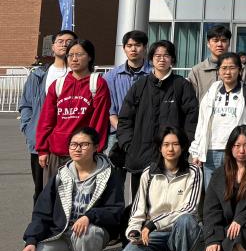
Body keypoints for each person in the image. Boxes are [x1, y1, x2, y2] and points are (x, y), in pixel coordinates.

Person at [18, 127, 124, 251]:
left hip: (90, 235)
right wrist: (31, 240)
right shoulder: (61, 175)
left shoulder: (109, 174)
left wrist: (90, 216)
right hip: (62, 234)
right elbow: (42, 212)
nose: (77, 149)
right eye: (73, 144)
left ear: (96, 147)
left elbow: (115, 210)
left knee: (89, 233)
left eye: (84, 144)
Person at [118, 126, 203, 251]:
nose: (171, 149)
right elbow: (138, 210)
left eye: (175, 144)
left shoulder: (194, 172)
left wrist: (153, 224)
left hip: (180, 231)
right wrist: (134, 232)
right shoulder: (148, 173)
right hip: (154, 234)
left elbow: (189, 208)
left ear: (183, 147)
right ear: (160, 148)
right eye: (166, 144)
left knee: (186, 220)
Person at [117, 39, 199, 197]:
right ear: (151, 59)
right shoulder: (140, 85)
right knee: (139, 202)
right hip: (140, 156)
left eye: (166, 55)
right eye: (157, 56)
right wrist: (128, 145)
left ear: (172, 59)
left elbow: (192, 119)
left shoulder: (181, 85)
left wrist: (183, 146)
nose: (162, 59)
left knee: (168, 202)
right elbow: (125, 118)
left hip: (171, 157)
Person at [35, 38, 111, 186]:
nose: (74, 59)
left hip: (84, 154)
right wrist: (42, 150)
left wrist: (95, 149)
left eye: (79, 54)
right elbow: (46, 120)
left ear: (90, 57)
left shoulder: (97, 84)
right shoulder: (58, 85)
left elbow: (100, 120)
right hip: (56, 153)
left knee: (81, 196)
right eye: (70, 55)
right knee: (53, 195)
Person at [190, 51, 246, 188]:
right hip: (211, 151)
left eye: (232, 68)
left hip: (238, 151)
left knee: (237, 191)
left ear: (240, 70)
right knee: (213, 193)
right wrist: (197, 151)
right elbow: (202, 123)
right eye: (224, 68)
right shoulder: (212, 92)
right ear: (218, 71)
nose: (227, 72)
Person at [19, 29, 74, 204]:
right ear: (53, 47)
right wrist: (29, 128)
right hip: (40, 141)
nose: (64, 45)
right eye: (60, 41)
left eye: (69, 42)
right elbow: (26, 104)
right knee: (41, 190)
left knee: (68, 190)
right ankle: (40, 221)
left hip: (70, 143)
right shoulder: (38, 75)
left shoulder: (78, 75)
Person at [104, 30, 152, 164]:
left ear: (145, 47)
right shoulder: (111, 77)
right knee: (113, 173)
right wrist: (123, 130)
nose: (133, 49)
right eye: (129, 46)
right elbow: (110, 110)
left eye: (137, 45)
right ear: (124, 48)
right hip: (117, 134)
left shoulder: (154, 74)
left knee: (145, 173)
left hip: (148, 134)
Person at [187, 25, 246, 95]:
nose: (219, 44)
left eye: (224, 40)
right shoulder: (197, 71)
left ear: (229, 43)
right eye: (215, 40)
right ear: (208, 44)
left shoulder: (241, 69)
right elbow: (190, 99)